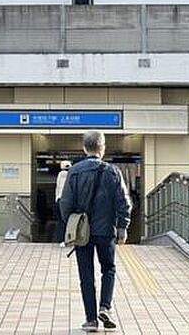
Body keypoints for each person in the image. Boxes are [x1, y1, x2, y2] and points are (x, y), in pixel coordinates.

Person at [60, 130, 132, 333]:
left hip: (82, 233)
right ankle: (105, 307)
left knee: (86, 275)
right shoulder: (113, 172)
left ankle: (91, 320)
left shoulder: (74, 172)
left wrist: (73, 224)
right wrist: (122, 227)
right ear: (102, 148)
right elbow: (124, 203)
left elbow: (65, 203)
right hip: (106, 231)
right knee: (108, 269)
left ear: (84, 148)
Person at [55, 160, 71, 246]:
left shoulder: (60, 174)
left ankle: (61, 240)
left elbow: (57, 187)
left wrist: (56, 199)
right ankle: (69, 239)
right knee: (69, 221)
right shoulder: (72, 174)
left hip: (59, 200)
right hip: (68, 201)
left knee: (60, 221)